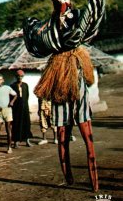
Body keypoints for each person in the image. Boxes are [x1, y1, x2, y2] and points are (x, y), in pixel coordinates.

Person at [34, 46, 99, 192]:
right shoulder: (59, 60)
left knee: (86, 140)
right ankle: (70, 177)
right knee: (65, 138)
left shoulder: (76, 57)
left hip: (77, 98)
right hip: (62, 98)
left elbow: (88, 80)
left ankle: (94, 183)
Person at [0, 74, 17, 154]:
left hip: (7, 110)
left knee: (8, 129)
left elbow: (15, 95)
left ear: (3, 80)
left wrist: (11, 102)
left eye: (0, 79)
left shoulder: (7, 88)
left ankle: (9, 147)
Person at [11, 70, 33, 148]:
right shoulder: (13, 86)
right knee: (16, 124)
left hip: (25, 108)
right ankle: (16, 142)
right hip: (16, 109)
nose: (20, 78)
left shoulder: (25, 85)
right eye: (18, 76)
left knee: (26, 124)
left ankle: (27, 140)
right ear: (16, 77)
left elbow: (27, 96)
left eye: (21, 76)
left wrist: (27, 106)